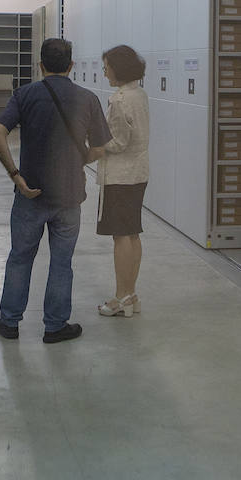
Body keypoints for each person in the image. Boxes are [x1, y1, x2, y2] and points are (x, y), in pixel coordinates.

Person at [0, 37, 111, 344]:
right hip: (69, 196)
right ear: (71, 65)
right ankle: (55, 326)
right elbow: (100, 148)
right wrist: (81, 157)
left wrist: (15, 175)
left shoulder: (25, 94)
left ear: (40, 65)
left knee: (20, 257)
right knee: (61, 262)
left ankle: (9, 322)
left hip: (30, 193)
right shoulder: (87, 99)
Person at [95, 45, 150, 318]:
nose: (104, 73)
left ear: (118, 68)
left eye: (106, 67)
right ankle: (131, 294)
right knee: (132, 233)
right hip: (138, 173)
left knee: (120, 237)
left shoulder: (119, 100)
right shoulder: (139, 94)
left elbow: (118, 141)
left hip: (119, 176)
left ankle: (120, 297)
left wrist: (93, 145)